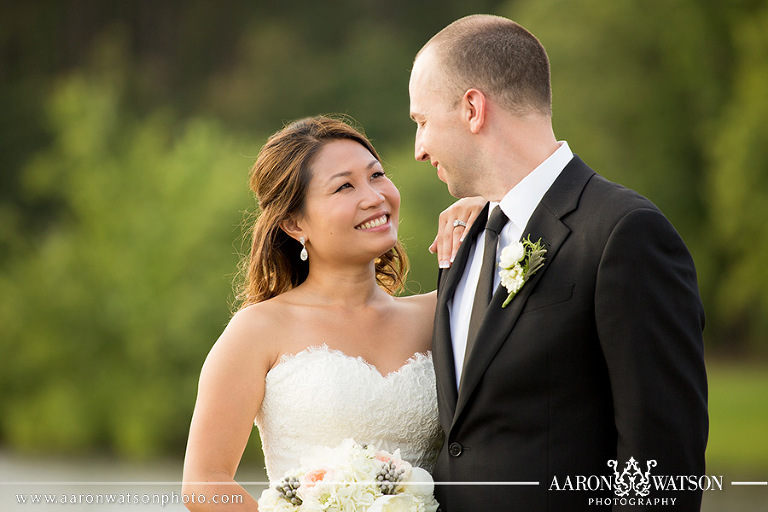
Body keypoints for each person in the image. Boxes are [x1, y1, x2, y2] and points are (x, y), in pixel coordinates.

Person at [408, 14, 708, 511]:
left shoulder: (623, 232)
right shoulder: (466, 237)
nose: (419, 149)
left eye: (421, 121)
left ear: (473, 109)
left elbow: (661, 467)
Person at [181, 115, 484, 510]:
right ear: (294, 224)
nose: (375, 196)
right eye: (344, 186)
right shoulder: (258, 330)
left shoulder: (442, 310)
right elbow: (203, 482)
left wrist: (490, 208)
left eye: (377, 176)